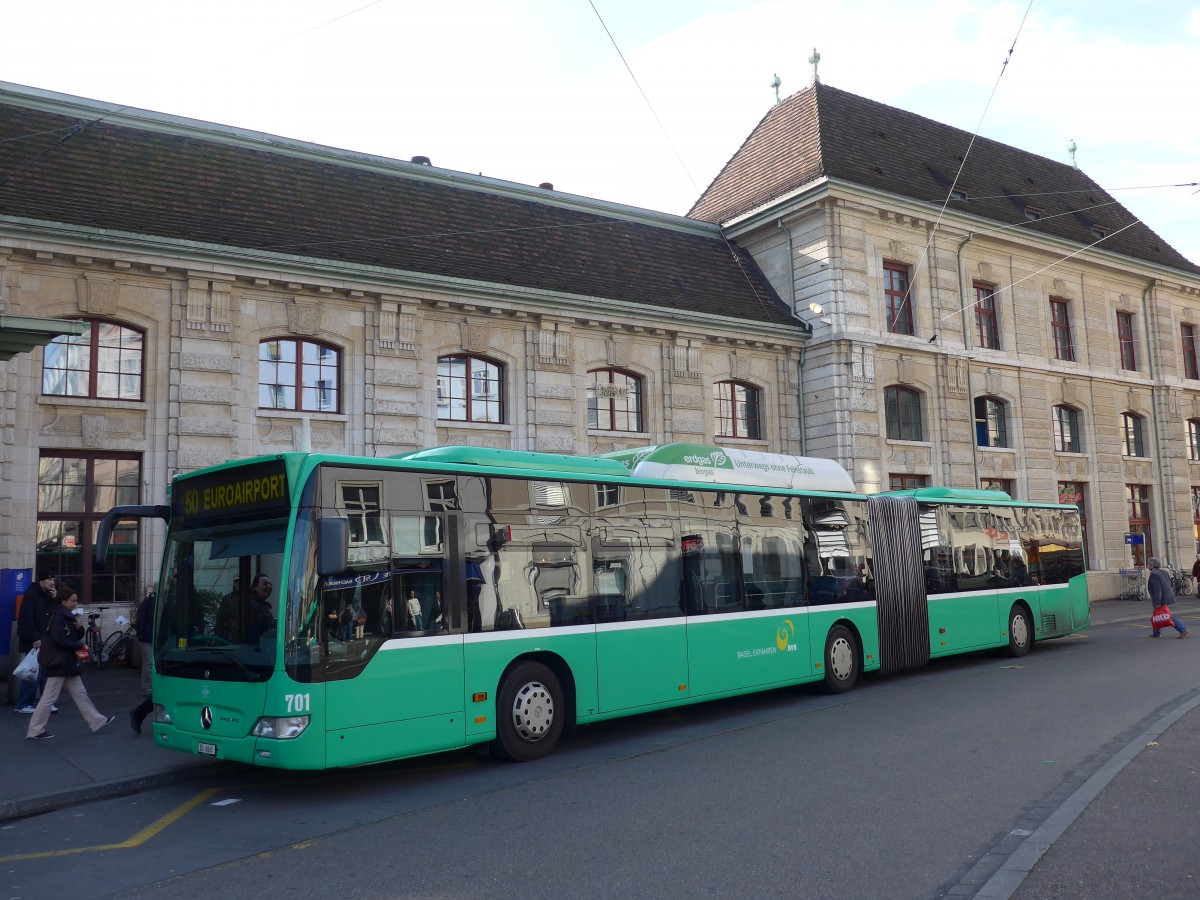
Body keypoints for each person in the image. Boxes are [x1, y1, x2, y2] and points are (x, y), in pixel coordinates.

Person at [25, 584, 115, 740]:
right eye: (73, 601)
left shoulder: (63, 616)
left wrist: (79, 629)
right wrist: (79, 645)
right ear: (64, 601)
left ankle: (97, 720)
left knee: (79, 694)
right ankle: (35, 730)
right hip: (60, 662)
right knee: (49, 698)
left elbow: (72, 636)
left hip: (64, 662)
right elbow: (59, 639)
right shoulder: (59, 618)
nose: (75, 604)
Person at [15, 570, 57, 715]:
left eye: (53, 580)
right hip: (36, 640)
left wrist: (54, 599)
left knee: (45, 672)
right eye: (49, 580)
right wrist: (34, 638)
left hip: (45, 639)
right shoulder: (32, 595)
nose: (52, 583)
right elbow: (26, 619)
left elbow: (51, 614)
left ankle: (46, 702)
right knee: (33, 672)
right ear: (41, 582)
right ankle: (24, 703)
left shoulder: (46, 596)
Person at [130, 589, 155, 735]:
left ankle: (139, 712)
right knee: (149, 663)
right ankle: (147, 687)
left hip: (158, 639)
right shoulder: (149, 602)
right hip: (148, 638)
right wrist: (143, 633)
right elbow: (141, 619)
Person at [1147, 557, 1189, 638]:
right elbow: (1170, 583)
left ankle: (1183, 630)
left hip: (1160, 598)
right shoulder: (1164, 571)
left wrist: (1157, 603)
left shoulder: (1153, 574)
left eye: (1148, 564)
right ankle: (1156, 633)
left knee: (1166, 615)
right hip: (1166, 596)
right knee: (1157, 615)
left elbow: (1157, 589)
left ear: (1152, 565)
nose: (1147, 565)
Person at [244, 574, 275, 645]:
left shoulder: (261, 605)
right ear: (255, 587)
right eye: (265, 584)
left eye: (270, 584)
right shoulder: (253, 605)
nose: (269, 586)